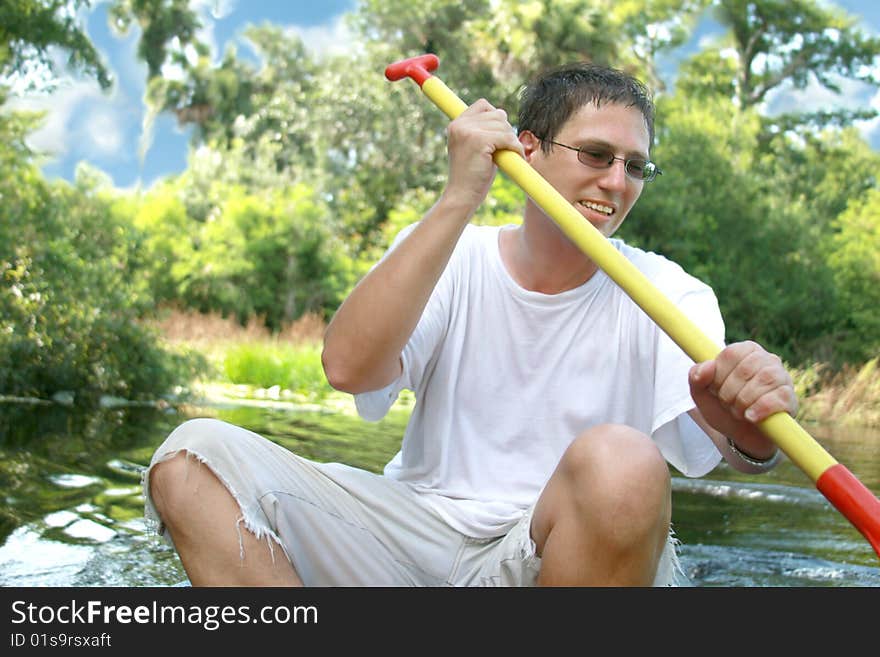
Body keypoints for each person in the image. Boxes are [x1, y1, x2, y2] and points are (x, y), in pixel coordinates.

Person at [144, 62, 797, 587]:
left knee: (625, 461)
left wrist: (748, 419)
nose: (617, 182)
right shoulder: (450, 250)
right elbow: (347, 368)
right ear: (529, 151)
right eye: (597, 154)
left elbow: (744, 450)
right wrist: (460, 196)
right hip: (416, 533)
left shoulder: (670, 290)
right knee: (189, 457)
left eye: (636, 166)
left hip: (557, 552)